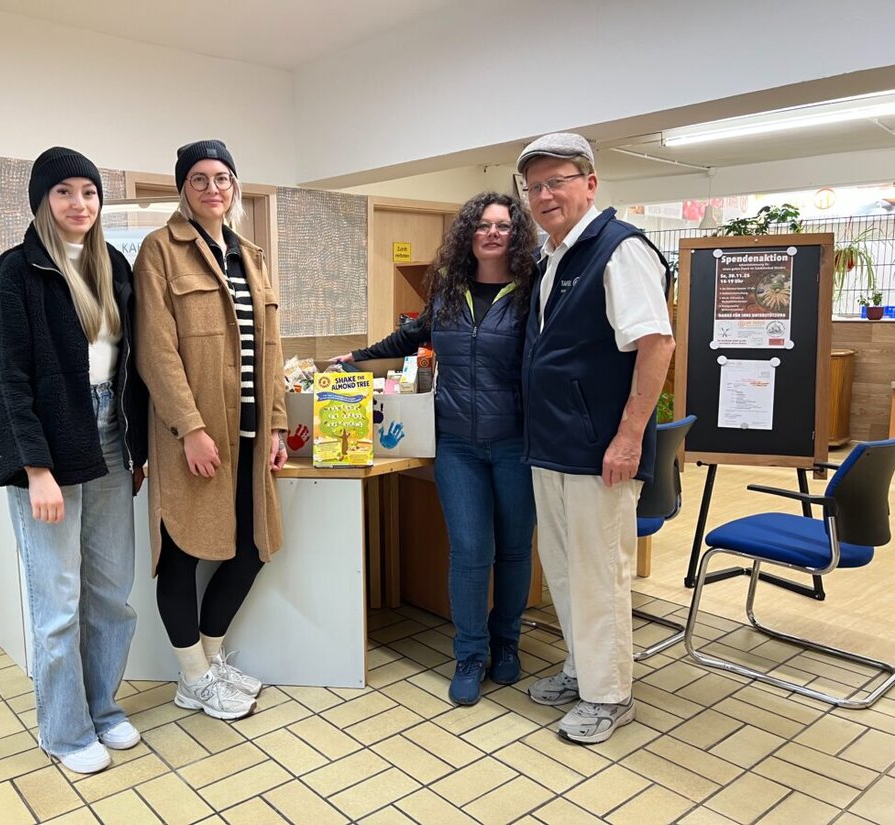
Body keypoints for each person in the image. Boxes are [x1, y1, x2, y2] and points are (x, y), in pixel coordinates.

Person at [0, 147, 149, 774]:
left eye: (90, 193)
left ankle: (101, 708)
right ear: (43, 200)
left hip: (109, 442)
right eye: (65, 192)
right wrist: (35, 469)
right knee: (58, 605)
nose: (80, 204)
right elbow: (2, 382)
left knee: (112, 595)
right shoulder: (14, 274)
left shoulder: (114, 266)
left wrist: (137, 448)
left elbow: (132, 372)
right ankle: (64, 729)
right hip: (52, 449)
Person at [333, 192, 538, 706]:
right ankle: (469, 653)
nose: (493, 233)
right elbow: (413, 336)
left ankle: (506, 643)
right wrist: (357, 357)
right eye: (483, 225)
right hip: (458, 446)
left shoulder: (533, 292)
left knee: (514, 552)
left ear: (517, 235)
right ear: (468, 234)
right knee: (471, 552)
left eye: (504, 226)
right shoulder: (448, 292)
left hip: (518, 443)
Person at [517, 133, 675, 744]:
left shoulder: (620, 249)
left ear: (590, 183)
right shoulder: (555, 253)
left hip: (598, 448)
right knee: (562, 567)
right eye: (535, 187)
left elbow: (655, 344)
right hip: (551, 444)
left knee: (600, 572)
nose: (545, 195)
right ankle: (581, 668)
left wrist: (629, 437)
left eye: (558, 181)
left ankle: (609, 696)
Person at [134, 140, 288, 721]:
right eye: (199, 179)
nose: (212, 188)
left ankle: (211, 659)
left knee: (251, 549)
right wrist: (190, 427)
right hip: (192, 438)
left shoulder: (252, 255)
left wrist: (275, 423)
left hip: (248, 438)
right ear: (182, 188)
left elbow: (270, 349)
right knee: (180, 554)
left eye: (222, 177)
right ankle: (192, 676)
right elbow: (156, 350)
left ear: (235, 186)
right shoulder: (159, 251)